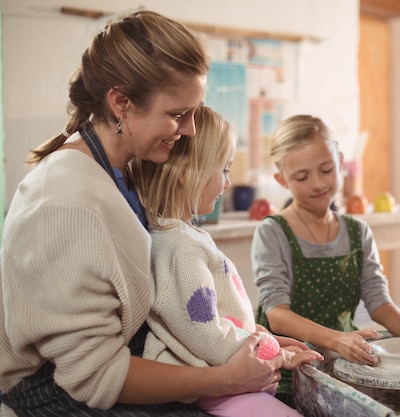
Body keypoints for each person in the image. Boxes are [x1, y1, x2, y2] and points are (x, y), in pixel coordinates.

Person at [0, 11, 285, 417]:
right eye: (177, 114)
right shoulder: (66, 202)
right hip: (53, 392)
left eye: (194, 111)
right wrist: (227, 378)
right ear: (121, 104)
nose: (188, 130)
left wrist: (249, 339)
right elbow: (92, 375)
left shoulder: (126, 171)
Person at [129, 105, 323, 417]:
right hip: (213, 388)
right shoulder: (181, 247)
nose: (228, 183)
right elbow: (207, 334)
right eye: (224, 170)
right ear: (185, 175)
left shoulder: (182, 237)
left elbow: (216, 318)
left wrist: (263, 335)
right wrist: (277, 355)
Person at [252, 114, 400, 404]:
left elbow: (377, 298)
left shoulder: (357, 231)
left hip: (343, 364)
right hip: (286, 369)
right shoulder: (272, 232)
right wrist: (336, 338)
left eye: (326, 169)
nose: (317, 184)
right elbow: (277, 315)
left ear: (340, 161)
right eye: (302, 177)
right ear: (281, 179)